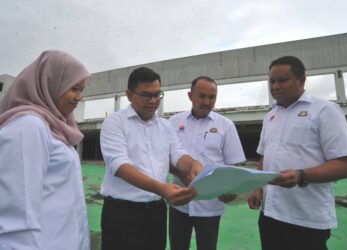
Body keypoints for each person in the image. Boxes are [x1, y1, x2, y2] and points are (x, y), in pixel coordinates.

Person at [248, 55, 347, 250]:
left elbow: (346, 163)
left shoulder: (325, 111)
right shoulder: (270, 116)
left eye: (282, 80)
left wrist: (302, 175)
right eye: (272, 81)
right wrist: (258, 188)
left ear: (302, 80)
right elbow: (264, 156)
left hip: (306, 218)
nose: (275, 86)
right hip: (269, 215)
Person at [99, 66, 202, 250]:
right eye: (146, 95)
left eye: (158, 94)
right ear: (129, 95)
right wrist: (162, 189)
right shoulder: (115, 122)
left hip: (156, 213)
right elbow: (119, 165)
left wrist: (192, 164)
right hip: (122, 213)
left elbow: (177, 154)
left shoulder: (165, 125)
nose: (154, 101)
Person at [0, 50, 91, 249]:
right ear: (49, 83)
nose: (79, 97)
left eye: (81, 90)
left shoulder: (55, 126)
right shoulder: (28, 127)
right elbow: (16, 218)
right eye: (74, 88)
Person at [168, 76, 246, 250]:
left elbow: (233, 165)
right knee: (177, 246)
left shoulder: (226, 125)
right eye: (201, 96)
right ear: (190, 95)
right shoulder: (173, 122)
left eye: (212, 97)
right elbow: (165, 158)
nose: (207, 101)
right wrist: (183, 174)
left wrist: (230, 189)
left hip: (210, 205)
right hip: (179, 201)